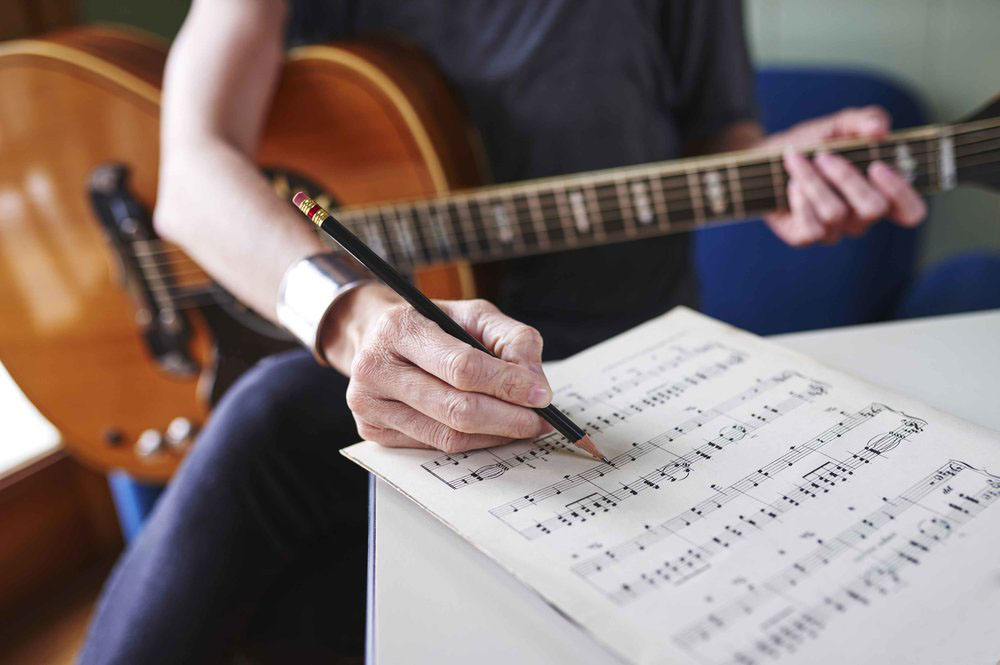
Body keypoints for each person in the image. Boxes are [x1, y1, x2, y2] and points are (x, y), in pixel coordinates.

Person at [80, 1, 927, 662]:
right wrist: (351, 314)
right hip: (379, 370)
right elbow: (191, 178)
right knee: (269, 420)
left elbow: (721, 138)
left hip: (616, 377)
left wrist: (777, 171)